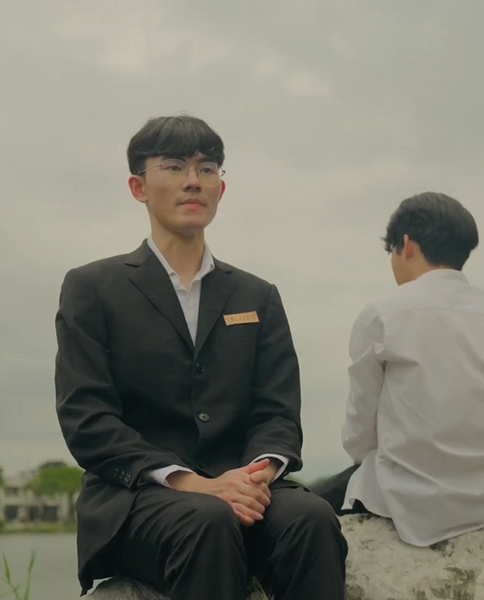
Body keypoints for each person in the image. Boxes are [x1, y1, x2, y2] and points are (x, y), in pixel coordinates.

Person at [55, 115, 347, 599]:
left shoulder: (257, 294)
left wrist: (252, 478)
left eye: (207, 169)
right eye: (174, 167)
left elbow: (277, 413)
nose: (193, 181)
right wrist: (194, 483)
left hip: (243, 488)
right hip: (139, 500)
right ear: (138, 187)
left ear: (220, 189)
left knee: (312, 517)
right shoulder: (92, 288)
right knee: (207, 519)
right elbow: (87, 419)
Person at [312, 192, 484, 547]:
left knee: (297, 509)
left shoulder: (385, 313)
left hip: (406, 498)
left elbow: (359, 434)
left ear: (407, 244)